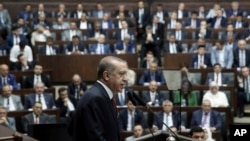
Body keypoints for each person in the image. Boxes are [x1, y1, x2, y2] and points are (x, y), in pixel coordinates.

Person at [73, 56, 128, 141]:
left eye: (125, 74)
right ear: (106, 75)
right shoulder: (95, 98)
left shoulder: (101, 95)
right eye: (121, 74)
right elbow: (96, 138)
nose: (126, 79)